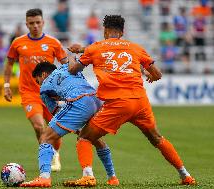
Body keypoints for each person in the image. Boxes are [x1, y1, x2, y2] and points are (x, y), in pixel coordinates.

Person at [68, 15, 196, 185]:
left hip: (118, 103)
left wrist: (71, 57)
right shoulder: (135, 47)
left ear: (105, 30)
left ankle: (87, 175)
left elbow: (73, 70)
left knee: (84, 137)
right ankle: (185, 175)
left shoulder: (95, 48)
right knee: (157, 138)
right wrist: (148, 74)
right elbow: (157, 74)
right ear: (122, 32)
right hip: (140, 101)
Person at [19, 62, 119, 187]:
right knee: (91, 138)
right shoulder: (68, 67)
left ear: (43, 74)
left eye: (38, 80)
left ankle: (44, 178)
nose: (39, 84)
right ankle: (111, 177)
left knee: (46, 137)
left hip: (79, 102)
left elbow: (56, 112)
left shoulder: (44, 87)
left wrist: (74, 125)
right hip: (96, 99)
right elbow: (77, 67)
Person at [4, 8, 68, 172]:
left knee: (54, 129)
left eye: (38, 22)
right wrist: (6, 85)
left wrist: (66, 86)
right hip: (29, 93)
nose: (35, 26)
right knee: (39, 126)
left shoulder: (53, 43)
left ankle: (55, 152)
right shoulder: (18, 43)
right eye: (31, 23)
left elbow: (66, 65)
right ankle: (46, 160)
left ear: (43, 23)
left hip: (50, 94)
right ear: (26, 24)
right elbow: (10, 63)